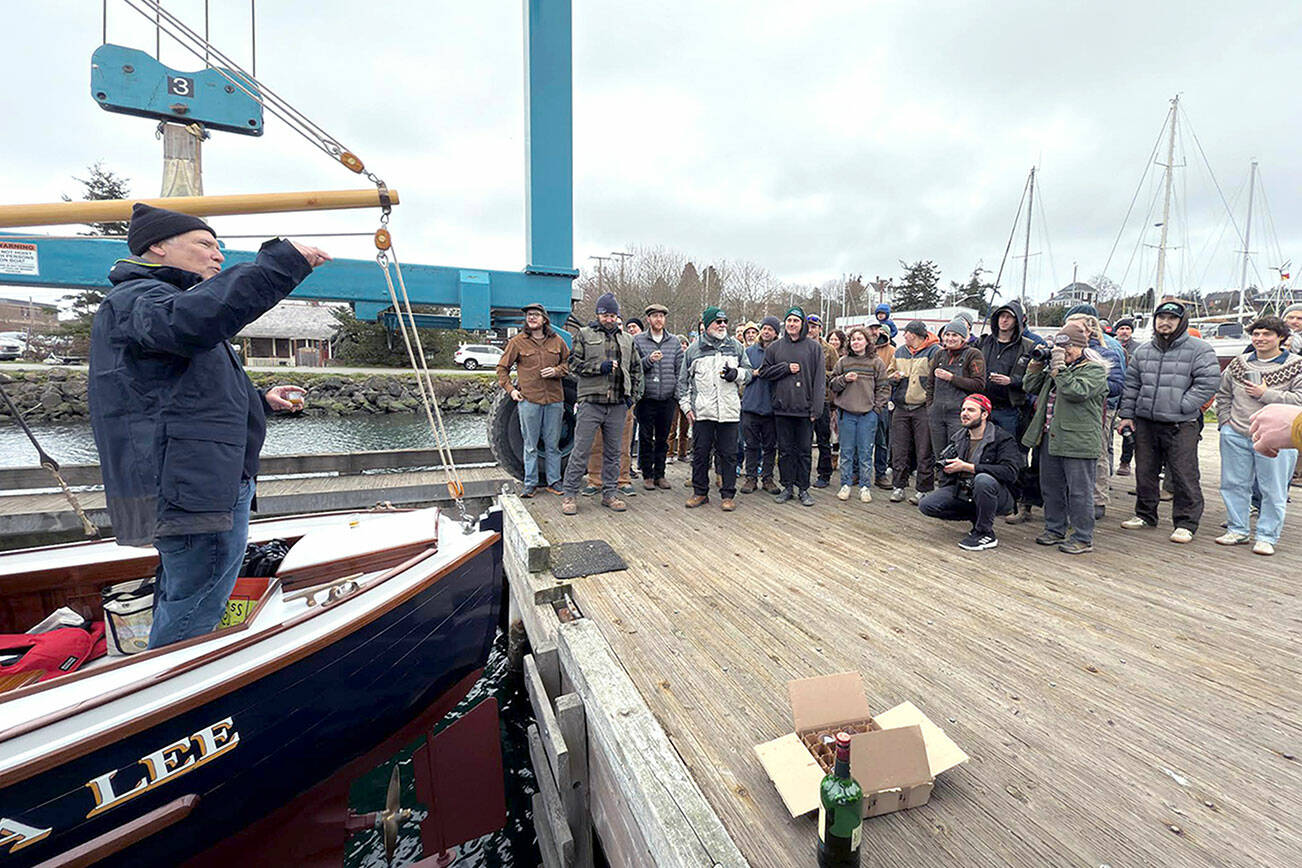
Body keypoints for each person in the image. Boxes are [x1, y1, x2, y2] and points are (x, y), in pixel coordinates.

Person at [88, 203, 329, 648]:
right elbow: (193, 322)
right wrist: (280, 265)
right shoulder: (140, 302)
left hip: (199, 480)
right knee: (198, 598)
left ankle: (166, 666)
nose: (217, 255)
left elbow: (179, 397)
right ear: (157, 247)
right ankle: (172, 688)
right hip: (193, 485)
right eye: (205, 244)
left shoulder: (152, 304)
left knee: (185, 587)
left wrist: (260, 403)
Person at [1116, 299, 1220, 542]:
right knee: (1144, 471)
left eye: (1171, 318)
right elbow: (1131, 386)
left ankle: (1186, 522)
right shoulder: (1143, 351)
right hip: (1146, 420)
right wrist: (1127, 415)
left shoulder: (1200, 349)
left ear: (1181, 322)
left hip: (1182, 423)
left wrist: (1182, 405)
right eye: (1161, 318)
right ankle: (1145, 514)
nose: (1165, 322)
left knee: (1184, 473)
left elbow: (1208, 383)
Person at [1214, 316, 1302, 555]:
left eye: (1267, 334)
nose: (1260, 339)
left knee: (1273, 488)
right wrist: (1225, 422)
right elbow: (1223, 394)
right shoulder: (1239, 363)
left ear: (1281, 337)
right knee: (1233, 484)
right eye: (1256, 334)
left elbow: (1300, 400)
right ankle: (1237, 529)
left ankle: (1267, 535)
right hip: (1237, 431)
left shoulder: (1296, 364)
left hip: (1277, 438)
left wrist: (1267, 394)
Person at [1021, 321, 1110, 554]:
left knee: (1080, 491)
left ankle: (1082, 537)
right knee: (1051, 487)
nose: (1065, 352)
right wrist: (1038, 362)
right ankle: (1054, 529)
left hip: (1079, 440)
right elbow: (1028, 386)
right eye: (1061, 348)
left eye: (1069, 347)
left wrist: (1060, 367)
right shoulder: (1056, 369)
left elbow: (1076, 392)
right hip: (1051, 435)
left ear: (1082, 346)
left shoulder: (1094, 370)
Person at [561, 292, 643, 515]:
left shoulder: (627, 339)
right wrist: (599, 368)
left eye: (613, 315)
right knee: (580, 450)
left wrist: (631, 396)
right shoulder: (584, 335)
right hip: (591, 402)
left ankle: (610, 493)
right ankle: (569, 494)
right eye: (605, 314)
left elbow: (636, 370)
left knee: (614, 452)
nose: (609, 319)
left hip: (618, 404)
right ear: (598, 314)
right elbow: (573, 364)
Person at [917, 394, 1022, 550]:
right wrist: (947, 470)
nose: (964, 413)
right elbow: (948, 477)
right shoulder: (959, 437)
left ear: (984, 414)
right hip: (966, 490)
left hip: (999, 494)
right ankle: (978, 517)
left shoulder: (1002, 438)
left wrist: (968, 467)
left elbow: (1010, 472)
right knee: (927, 505)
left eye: (971, 410)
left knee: (983, 480)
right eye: (963, 409)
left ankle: (985, 533)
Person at [678, 306, 752, 509]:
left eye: (725, 321)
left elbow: (749, 373)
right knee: (700, 453)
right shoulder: (693, 350)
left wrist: (736, 374)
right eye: (718, 322)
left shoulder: (736, 346)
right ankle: (700, 492)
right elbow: (683, 382)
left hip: (728, 411)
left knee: (728, 454)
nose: (722, 325)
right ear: (707, 324)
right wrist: (687, 408)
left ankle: (728, 495)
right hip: (703, 412)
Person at [497, 302, 570, 497]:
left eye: (536, 315)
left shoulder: (557, 341)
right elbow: (502, 368)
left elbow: (568, 364)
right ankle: (530, 484)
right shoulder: (517, 342)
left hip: (554, 400)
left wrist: (556, 371)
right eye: (529, 315)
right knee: (530, 445)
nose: (531, 318)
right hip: (529, 401)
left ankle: (554, 482)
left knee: (552, 444)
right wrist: (511, 390)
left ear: (544, 319)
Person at [759, 306, 826, 506]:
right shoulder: (775, 348)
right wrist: (785, 368)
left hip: (805, 410)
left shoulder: (814, 348)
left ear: (802, 324)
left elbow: (819, 381)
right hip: (782, 408)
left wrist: (816, 409)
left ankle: (803, 488)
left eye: (796, 321)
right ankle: (787, 486)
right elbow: (764, 373)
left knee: (804, 451)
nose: (792, 324)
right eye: (789, 321)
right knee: (785, 451)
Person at [1065, 312, 1125, 519]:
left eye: (1077, 328)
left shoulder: (1106, 354)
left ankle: (1098, 499)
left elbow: (1117, 385)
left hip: (1097, 409)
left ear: (1089, 331)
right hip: (1066, 409)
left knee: (1098, 452)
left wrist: (1090, 384)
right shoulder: (1062, 352)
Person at [829, 327, 890, 502]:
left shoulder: (876, 362)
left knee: (865, 452)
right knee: (846, 452)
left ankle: (865, 486)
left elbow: (884, 388)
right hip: (846, 413)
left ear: (867, 342)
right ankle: (845, 484)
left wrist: (876, 409)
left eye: (859, 339)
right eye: (853, 339)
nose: (856, 342)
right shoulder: (843, 362)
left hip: (867, 414)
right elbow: (832, 384)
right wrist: (844, 379)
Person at [889, 320, 939, 504]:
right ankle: (898, 487)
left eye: (907, 333)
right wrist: (892, 377)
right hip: (901, 406)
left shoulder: (934, 351)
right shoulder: (900, 351)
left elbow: (936, 378)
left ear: (915, 334)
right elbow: (889, 372)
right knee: (899, 448)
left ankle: (923, 489)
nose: (904, 336)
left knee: (924, 449)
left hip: (923, 407)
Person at [633, 303, 682, 491]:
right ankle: (647, 474)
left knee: (663, 438)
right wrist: (649, 360)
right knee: (645, 437)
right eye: (655, 316)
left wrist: (676, 395)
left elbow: (680, 369)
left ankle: (660, 474)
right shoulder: (638, 340)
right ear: (648, 319)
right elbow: (635, 367)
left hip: (667, 398)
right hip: (647, 398)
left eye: (661, 316)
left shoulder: (674, 342)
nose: (658, 319)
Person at [926, 319, 986, 464]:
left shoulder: (973, 354)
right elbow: (930, 384)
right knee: (939, 456)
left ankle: (956, 486)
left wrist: (952, 378)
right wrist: (930, 407)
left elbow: (979, 385)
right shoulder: (940, 355)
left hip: (959, 415)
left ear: (964, 338)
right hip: (937, 414)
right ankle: (941, 485)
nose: (950, 338)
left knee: (957, 455)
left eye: (955, 335)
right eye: (947, 334)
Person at [741, 316, 781, 494]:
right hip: (750, 405)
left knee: (770, 446)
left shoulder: (780, 352)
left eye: (770, 329)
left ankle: (768, 478)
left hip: (772, 407)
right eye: (764, 328)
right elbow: (742, 373)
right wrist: (754, 373)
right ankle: (750, 477)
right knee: (750, 445)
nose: (766, 332)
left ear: (776, 333)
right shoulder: (749, 352)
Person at [805, 314, 838, 487]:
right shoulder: (800, 346)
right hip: (803, 399)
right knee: (804, 439)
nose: (811, 330)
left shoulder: (829, 350)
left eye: (814, 326)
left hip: (823, 398)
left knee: (823, 439)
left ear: (820, 328)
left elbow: (836, 373)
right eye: (808, 326)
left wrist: (818, 374)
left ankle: (824, 474)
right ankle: (803, 473)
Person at [866, 321, 895, 489]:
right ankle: (858, 472)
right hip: (860, 402)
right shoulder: (859, 351)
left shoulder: (892, 351)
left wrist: (880, 404)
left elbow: (889, 378)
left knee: (881, 440)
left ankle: (881, 474)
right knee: (859, 442)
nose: (874, 331)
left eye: (877, 328)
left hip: (881, 403)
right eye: (871, 328)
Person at [1112, 317, 1138, 475]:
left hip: (1129, 391)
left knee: (1129, 429)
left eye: (1128, 329)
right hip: (1114, 392)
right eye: (1122, 328)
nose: (1124, 331)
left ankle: (1125, 461)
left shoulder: (1138, 348)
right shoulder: (1111, 345)